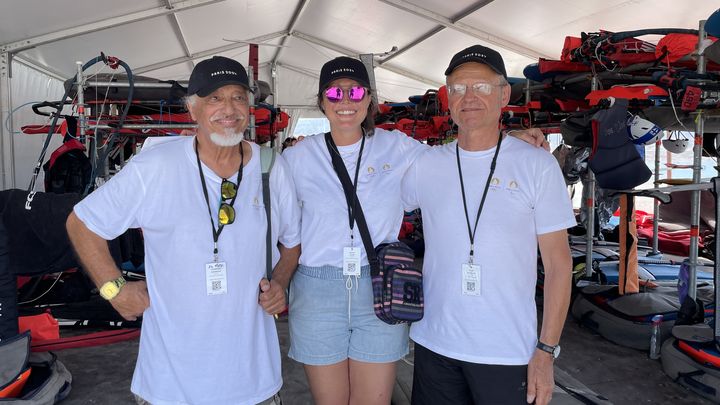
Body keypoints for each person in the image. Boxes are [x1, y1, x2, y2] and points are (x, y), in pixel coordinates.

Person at [282, 56, 547, 405]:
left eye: (355, 91)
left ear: (369, 99)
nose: (345, 100)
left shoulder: (399, 147)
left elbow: (459, 157)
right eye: (333, 92)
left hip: (378, 285)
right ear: (321, 101)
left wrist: (509, 139)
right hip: (318, 289)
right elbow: (288, 235)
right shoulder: (297, 158)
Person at [66, 56, 301, 405]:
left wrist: (279, 283)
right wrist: (114, 289)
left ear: (249, 107)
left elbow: (292, 244)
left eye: (238, 97)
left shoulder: (271, 168)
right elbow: (82, 223)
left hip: (254, 383)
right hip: (169, 386)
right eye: (214, 98)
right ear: (192, 109)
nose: (229, 108)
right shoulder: (157, 166)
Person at [402, 45, 575, 405]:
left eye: (481, 87)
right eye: (459, 88)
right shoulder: (425, 165)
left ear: (504, 94)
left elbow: (559, 266)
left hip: (508, 351)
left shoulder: (536, 166)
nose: (470, 97)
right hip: (435, 344)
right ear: (448, 97)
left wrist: (546, 351)